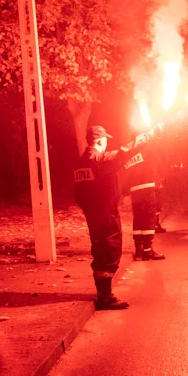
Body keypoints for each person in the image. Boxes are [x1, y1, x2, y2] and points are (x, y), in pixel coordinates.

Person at [74, 124, 163, 310]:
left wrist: (91, 209)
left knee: (99, 250)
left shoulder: (81, 162)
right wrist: (148, 135)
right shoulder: (102, 159)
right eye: (105, 139)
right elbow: (125, 151)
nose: (107, 143)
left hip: (94, 214)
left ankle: (102, 293)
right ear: (99, 140)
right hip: (106, 213)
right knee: (110, 250)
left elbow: (78, 194)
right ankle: (106, 297)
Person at [122, 144, 166, 261]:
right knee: (149, 219)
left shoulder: (129, 154)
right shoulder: (147, 150)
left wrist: (125, 193)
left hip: (135, 191)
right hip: (147, 189)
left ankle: (138, 250)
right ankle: (147, 250)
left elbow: (124, 174)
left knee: (138, 219)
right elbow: (158, 161)